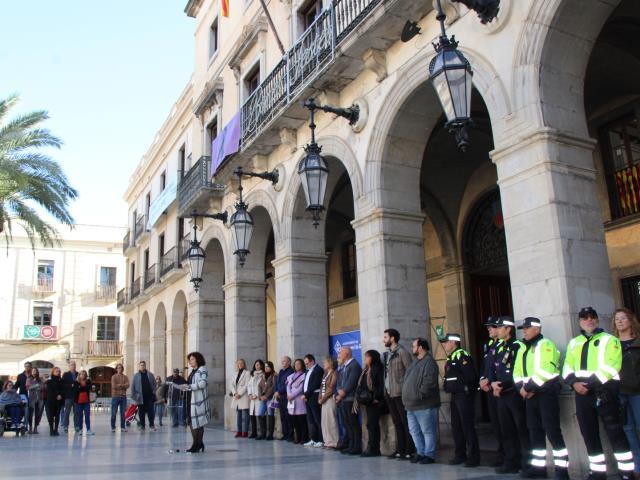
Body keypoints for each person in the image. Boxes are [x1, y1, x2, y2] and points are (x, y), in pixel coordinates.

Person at [563, 306, 633, 479]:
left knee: (615, 433)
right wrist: (574, 383)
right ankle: (598, 472)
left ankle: (627, 473)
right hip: (581, 394)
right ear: (580, 322)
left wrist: (589, 384)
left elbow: (612, 366)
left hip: (604, 392)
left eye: (592, 317)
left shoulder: (610, 340)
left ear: (597, 320)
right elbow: (567, 367)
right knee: (589, 434)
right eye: (585, 318)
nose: (589, 320)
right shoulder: (574, 343)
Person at [513, 317, 569, 479]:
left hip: (545, 393)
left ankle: (562, 471)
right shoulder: (523, 348)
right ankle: (539, 468)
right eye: (523, 328)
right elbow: (517, 371)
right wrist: (521, 388)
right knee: (534, 432)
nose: (524, 331)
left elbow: (546, 370)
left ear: (537, 329)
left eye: (527, 328)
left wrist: (528, 388)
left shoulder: (546, 345)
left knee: (552, 431)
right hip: (529, 396)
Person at [490, 316, 531, 475]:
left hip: (513, 393)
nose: (498, 330)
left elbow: (517, 370)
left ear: (508, 329)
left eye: (500, 327)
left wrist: (502, 385)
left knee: (521, 428)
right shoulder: (499, 347)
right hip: (501, 393)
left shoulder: (517, 346)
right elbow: (494, 368)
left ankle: (526, 463)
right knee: (506, 429)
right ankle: (510, 461)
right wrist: (493, 383)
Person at [441, 333, 480, 467]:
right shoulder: (451, 357)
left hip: (464, 395)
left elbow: (470, 377)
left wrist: (464, 389)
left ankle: (473, 457)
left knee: (467, 426)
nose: (444, 344)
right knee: (456, 426)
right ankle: (460, 454)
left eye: (446, 342)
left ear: (453, 342)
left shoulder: (462, 355)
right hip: (454, 395)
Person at [402, 337, 440, 465]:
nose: (412, 348)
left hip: (424, 404)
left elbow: (429, 382)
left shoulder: (429, 362)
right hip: (411, 405)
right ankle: (420, 452)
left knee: (427, 431)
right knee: (414, 431)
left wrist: (419, 395)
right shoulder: (415, 362)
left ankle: (429, 455)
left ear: (421, 347)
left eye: (414, 346)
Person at [613, 307, 640, 478]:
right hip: (620, 392)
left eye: (623, 318)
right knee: (628, 429)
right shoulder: (612, 344)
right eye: (617, 319)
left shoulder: (638, 341)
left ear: (630, 320)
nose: (620, 321)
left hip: (637, 392)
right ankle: (637, 467)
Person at [383, 328, 415, 460]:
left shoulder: (402, 352)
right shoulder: (387, 354)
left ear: (392, 338)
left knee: (405, 422)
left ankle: (409, 449)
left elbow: (410, 372)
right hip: (389, 393)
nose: (383, 340)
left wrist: (406, 389)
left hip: (400, 393)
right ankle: (400, 449)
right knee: (397, 422)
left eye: (386, 337)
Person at [479, 316, 505, 467]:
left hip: (500, 388)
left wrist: (490, 380)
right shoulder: (489, 344)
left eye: (491, 327)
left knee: (504, 424)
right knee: (496, 423)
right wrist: (482, 380)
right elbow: (485, 366)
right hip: (489, 388)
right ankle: (501, 454)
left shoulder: (504, 345)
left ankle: (508, 455)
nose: (488, 329)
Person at [356, 349, 385, 457]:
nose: (365, 359)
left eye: (367, 357)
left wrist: (376, 397)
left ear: (373, 357)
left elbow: (380, 385)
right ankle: (371, 448)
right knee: (370, 425)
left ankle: (373, 449)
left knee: (372, 425)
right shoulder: (366, 369)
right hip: (368, 401)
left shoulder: (378, 369)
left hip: (375, 401)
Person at [336, 346, 363, 455]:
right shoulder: (344, 366)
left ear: (346, 353)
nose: (339, 355)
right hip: (343, 399)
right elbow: (339, 381)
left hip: (350, 399)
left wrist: (343, 392)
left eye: (340, 353)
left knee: (353, 423)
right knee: (347, 424)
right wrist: (339, 392)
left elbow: (351, 382)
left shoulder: (354, 365)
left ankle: (357, 446)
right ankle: (351, 445)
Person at [183, 351, 210, 453]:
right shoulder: (192, 371)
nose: (190, 361)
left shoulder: (202, 369)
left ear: (198, 359)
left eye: (192, 359)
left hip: (199, 400)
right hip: (190, 399)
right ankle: (198, 443)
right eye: (189, 360)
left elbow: (203, 383)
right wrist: (184, 386)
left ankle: (196, 444)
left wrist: (189, 386)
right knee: (192, 421)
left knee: (198, 423)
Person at [303, 354, 324, 447]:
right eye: (305, 364)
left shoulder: (318, 370)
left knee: (317, 419)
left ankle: (321, 440)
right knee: (310, 420)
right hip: (307, 398)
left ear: (312, 361)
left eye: (307, 363)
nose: (306, 365)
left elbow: (315, 384)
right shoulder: (307, 371)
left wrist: (305, 394)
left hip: (314, 397)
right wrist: (304, 394)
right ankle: (313, 439)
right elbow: (305, 384)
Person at [286, 358, 308, 444]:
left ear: (302, 365)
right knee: (294, 421)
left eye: (298, 364)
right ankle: (298, 437)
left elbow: (301, 388)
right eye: (295, 364)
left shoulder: (304, 375)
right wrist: (289, 395)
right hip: (291, 401)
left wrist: (291, 395)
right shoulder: (291, 376)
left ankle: (304, 438)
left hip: (299, 400)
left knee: (302, 420)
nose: (296, 365)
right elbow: (288, 386)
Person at [319, 355, 339, 449]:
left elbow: (331, 388)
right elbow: (321, 387)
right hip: (323, 400)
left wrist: (323, 398)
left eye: (325, 362)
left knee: (331, 421)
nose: (324, 364)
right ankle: (327, 441)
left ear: (330, 363)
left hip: (330, 399)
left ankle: (333, 442)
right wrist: (319, 398)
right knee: (325, 421)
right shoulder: (325, 373)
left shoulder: (334, 373)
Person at [131, 361, 156, 431]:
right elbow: (133, 387)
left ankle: (151, 425)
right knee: (141, 412)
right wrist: (135, 397)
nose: (142, 366)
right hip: (140, 398)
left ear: (145, 366)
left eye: (143, 365)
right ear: (139, 366)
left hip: (149, 397)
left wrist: (153, 393)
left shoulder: (150, 375)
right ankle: (142, 426)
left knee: (151, 412)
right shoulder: (136, 376)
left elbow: (154, 384)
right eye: (141, 365)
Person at [274, 356, 294, 441]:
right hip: (280, 397)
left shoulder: (291, 371)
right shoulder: (281, 371)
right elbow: (277, 382)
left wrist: (279, 391)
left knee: (288, 416)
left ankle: (290, 435)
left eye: (284, 361)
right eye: (282, 361)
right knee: (282, 416)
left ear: (289, 362)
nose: (282, 362)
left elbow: (288, 385)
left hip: (286, 396)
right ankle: (285, 434)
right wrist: (276, 391)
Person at [230, 358, 251, 438]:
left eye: (242, 363)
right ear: (237, 365)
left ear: (244, 364)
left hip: (243, 396)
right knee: (238, 415)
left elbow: (247, 385)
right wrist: (235, 393)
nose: (240, 365)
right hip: (236, 396)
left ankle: (245, 432)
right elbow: (231, 384)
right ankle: (239, 431)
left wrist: (240, 394)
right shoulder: (235, 373)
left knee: (245, 415)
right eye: (239, 363)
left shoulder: (247, 373)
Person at [248, 359, 266, 439]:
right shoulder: (252, 375)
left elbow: (263, 386)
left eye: (258, 365)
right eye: (256, 365)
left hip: (259, 398)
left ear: (261, 366)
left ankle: (263, 433)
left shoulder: (263, 374)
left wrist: (256, 395)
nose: (256, 366)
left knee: (260, 416)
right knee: (252, 416)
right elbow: (249, 385)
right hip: (252, 399)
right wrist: (250, 394)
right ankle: (254, 432)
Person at [44, 366, 64, 436]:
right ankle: (51, 429)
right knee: (51, 416)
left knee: (57, 416)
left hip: (59, 401)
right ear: (53, 372)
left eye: (59, 371)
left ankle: (56, 430)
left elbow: (63, 390)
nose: (58, 373)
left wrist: (60, 395)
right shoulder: (49, 381)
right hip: (51, 401)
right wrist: (57, 395)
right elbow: (50, 391)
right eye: (56, 371)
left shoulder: (61, 381)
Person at [73, 370, 94, 435]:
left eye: (84, 374)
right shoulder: (76, 382)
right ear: (79, 375)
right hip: (78, 402)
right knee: (80, 416)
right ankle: (80, 429)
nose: (83, 375)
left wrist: (81, 387)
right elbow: (76, 390)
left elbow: (88, 388)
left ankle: (88, 429)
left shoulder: (88, 381)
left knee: (87, 415)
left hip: (86, 401)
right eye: (81, 374)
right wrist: (82, 387)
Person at [26, 367, 46, 434]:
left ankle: (35, 428)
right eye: (33, 371)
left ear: (37, 372)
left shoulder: (40, 379)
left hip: (39, 398)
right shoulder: (29, 379)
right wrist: (37, 385)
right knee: (30, 414)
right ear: (31, 372)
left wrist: (38, 387)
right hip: (32, 398)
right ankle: (30, 428)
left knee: (38, 414)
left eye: (35, 371)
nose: (34, 372)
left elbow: (43, 386)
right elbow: (28, 387)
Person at [260, 361, 277, 440]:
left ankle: (270, 434)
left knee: (270, 414)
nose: (266, 368)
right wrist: (261, 396)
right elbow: (259, 386)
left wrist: (266, 396)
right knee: (260, 413)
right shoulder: (263, 376)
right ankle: (263, 433)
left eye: (268, 367)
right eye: (265, 367)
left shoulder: (274, 375)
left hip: (270, 398)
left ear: (271, 367)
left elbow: (273, 387)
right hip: (263, 399)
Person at [110, 363, 129, 432]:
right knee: (114, 413)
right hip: (115, 397)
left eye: (121, 368)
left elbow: (128, 385)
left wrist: (120, 385)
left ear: (122, 369)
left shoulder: (125, 377)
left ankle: (122, 427)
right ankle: (113, 427)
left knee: (123, 413)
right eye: (118, 368)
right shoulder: (113, 377)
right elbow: (113, 386)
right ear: (116, 369)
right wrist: (123, 386)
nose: (120, 369)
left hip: (123, 397)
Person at [61, 360, 78, 433]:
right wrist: (70, 385)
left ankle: (76, 426)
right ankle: (65, 426)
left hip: (76, 396)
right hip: (68, 396)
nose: (73, 366)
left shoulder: (78, 374)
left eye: (74, 365)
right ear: (69, 366)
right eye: (72, 365)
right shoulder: (66, 374)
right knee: (67, 412)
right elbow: (62, 384)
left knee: (76, 412)